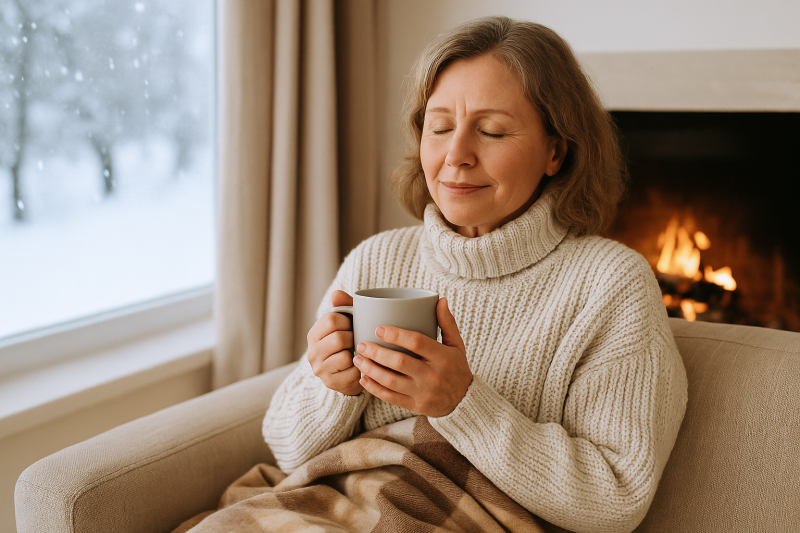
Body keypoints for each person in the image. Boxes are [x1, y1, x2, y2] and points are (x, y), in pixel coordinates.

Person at [263, 15, 687, 533]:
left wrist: (463, 405)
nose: (455, 156)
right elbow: (285, 449)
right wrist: (334, 386)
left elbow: (615, 498)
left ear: (556, 150)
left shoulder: (609, 285)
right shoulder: (377, 260)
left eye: (490, 131)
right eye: (439, 127)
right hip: (323, 507)